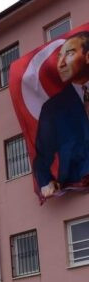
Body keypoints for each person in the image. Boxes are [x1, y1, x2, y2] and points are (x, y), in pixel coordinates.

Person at [34, 31, 89, 198]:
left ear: (87, 56)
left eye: (70, 53)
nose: (61, 63)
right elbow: (42, 156)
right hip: (76, 182)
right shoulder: (53, 109)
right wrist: (46, 182)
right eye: (59, 57)